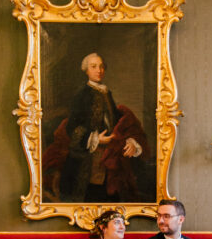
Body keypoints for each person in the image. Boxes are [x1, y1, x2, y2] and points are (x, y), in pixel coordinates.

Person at [42, 52, 149, 202]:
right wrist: (95, 139)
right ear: (86, 70)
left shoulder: (106, 93)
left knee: (113, 196)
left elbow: (118, 123)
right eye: (94, 67)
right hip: (87, 163)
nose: (99, 70)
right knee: (93, 196)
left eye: (101, 67)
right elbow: (72, 128)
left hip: (109, 158)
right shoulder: (81, 95)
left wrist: (130, 140)